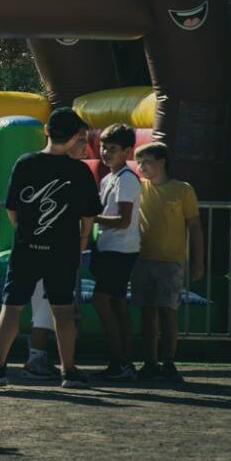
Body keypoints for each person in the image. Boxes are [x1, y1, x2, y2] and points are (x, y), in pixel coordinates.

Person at [0, 107, 99, 389]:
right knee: (63, 310)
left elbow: (12, 208)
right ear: (75, 137)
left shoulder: (25, 163)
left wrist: (24, 230)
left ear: (47, 131)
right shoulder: (80, 171)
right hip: (63, 249)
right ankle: (69, 371)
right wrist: (81, 240)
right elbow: (88, 216)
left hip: (27, 247)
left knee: (12, 307)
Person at [133, 142, 203, 383]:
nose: (142, 167)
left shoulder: (182, 189)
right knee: (146, 312)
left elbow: (195, 226)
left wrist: (198, 261)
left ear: (162, 162)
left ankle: (169, 361)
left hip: (171, 260)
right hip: (141, 258)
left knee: (168, 311)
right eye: (139, 162)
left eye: (147, 161)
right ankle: (150, 361)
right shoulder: (138, 187)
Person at [89, 124, 142, 380]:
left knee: (101, 299)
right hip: (109, 248)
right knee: (117, 303)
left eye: (112, 149)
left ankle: (121, 361)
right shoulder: (108, 178)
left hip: (120, 250)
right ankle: (122, 362)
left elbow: (123, 220)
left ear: (127, 152)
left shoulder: (126, 179)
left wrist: (92, 218)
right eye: (103, 147)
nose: (106, 152)